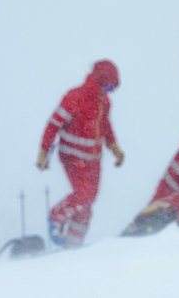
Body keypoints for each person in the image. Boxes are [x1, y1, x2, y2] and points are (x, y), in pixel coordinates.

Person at [36, 59, 125, 248]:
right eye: (109, 88)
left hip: (93, 160)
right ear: (101, 81)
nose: (109, 93)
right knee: (83, 195)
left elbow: (105, 126)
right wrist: (44, 151)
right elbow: (54, 124)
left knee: (88, 202)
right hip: (72, 156)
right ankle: (55, 217)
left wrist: (114, 147)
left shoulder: (104, 102)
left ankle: (73, 244)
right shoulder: (75, 97)